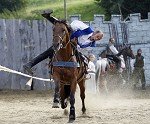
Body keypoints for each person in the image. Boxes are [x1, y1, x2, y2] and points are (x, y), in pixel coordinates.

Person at [23, 9, 104, 74]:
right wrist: (70, 30)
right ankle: (29, 64)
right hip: (68, 35)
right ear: (94, 33)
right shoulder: (87, 29)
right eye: (97, 37)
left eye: (98, 39)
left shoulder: (91, 44)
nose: (96, 39)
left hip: (72, 46)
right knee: (62, 28)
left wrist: (77, 48)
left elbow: (82, 50)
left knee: (80, 59)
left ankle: (80, 73)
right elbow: (76, 23)